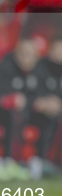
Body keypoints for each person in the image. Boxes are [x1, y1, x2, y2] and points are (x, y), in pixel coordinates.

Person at [0, 39, 38, 181]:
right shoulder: (5, 68)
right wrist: (9, 100)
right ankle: (6, 161)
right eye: (23, 54)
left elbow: (37, 95)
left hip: (29, 113)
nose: (26, 58)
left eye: (30, 55)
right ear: (16, 54)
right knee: (12, 115)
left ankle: (39, 162)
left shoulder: (38, 71)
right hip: (2, 113)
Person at [27, 39, 62, 179]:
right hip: (36, 111)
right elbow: (31, 92)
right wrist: (43, 102)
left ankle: (54, 162)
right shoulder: (39, 67)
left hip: (56, 110)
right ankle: (41, 160)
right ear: (50, 51)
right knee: (49, 118)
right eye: (58, 50)